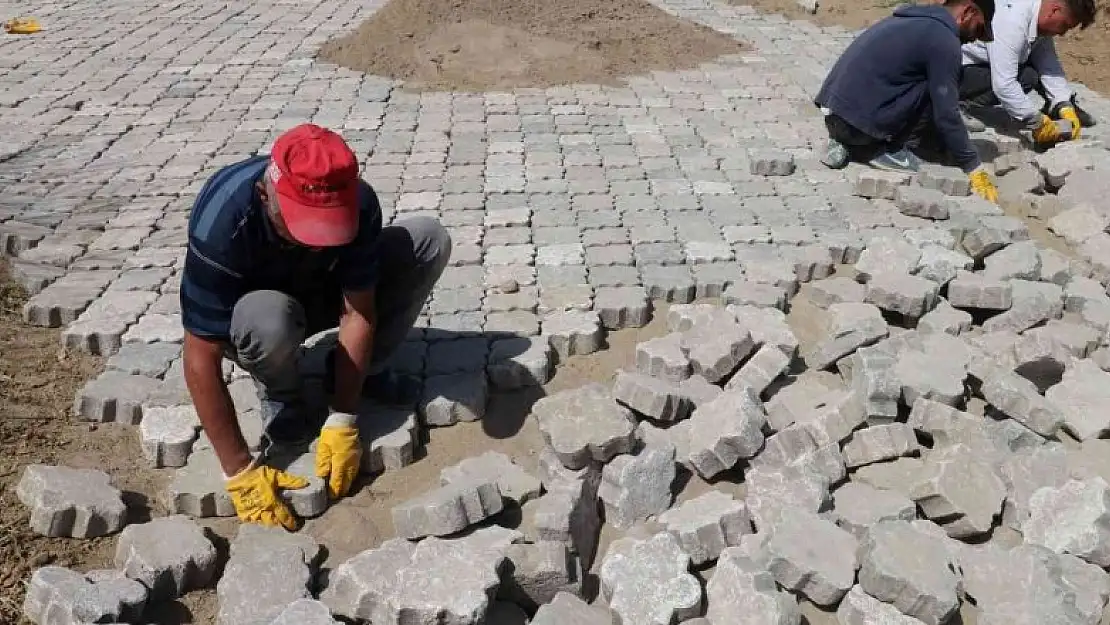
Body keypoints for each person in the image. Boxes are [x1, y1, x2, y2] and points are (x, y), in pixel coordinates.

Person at [180, 124, 451, 530]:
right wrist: (238, 470)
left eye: (329, 226)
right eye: (305, 226)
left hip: (326, 293)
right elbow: (200, 356)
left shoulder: (358, 201)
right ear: (265, 195)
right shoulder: (222, 220)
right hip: (264, 313)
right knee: (268, 317)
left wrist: (343, 416)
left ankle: (360, 372)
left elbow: (359, 312)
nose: (319, 242)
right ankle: (283, 394)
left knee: (427, 240)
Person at [815, 0, 1000, 202]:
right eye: (979, 28)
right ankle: (889, 150)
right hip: (860, 129)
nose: (975, 39)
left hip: (835, 116)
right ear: (967, 12)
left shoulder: (913, 19)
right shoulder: (944, 40)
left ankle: (848, 142)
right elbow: (947, 113)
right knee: (939, 89)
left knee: (934, 83)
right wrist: (972, 165)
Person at [959, 0, 1098, 146]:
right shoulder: (1013, 21)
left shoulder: (1037, 16)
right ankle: (952, 106)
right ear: (1054, 10)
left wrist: (1063, 104)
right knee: (1025, 76)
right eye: (1064, 25)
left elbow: (1047, 64)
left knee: (1028, 75)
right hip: (950, 74)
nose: (1063, 33)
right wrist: (1035, 120)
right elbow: (1004, 84)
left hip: (975, 66)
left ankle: (1054, 107)